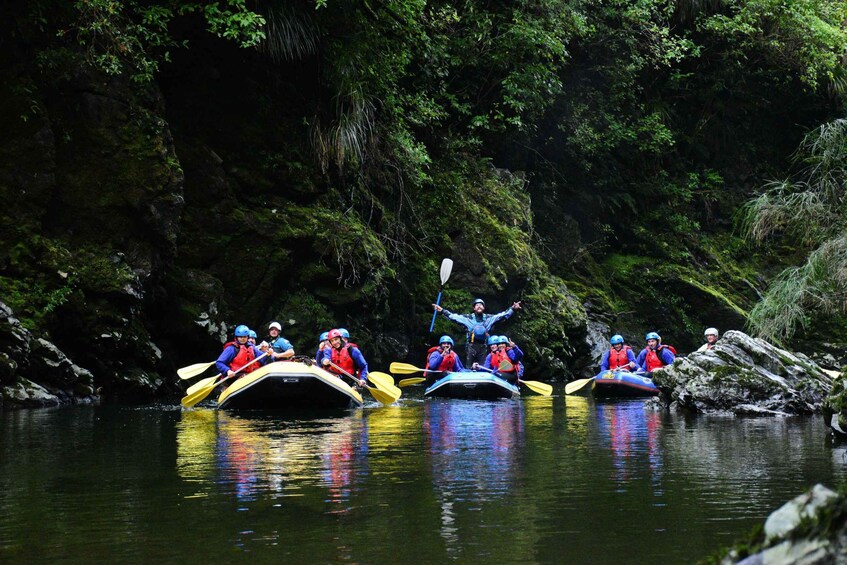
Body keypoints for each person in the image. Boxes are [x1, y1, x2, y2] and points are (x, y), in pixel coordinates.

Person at [433, 298, 522, 366]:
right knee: (469, 366)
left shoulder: (489, 318)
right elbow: (453, 317)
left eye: (481, 305)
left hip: (483, 346)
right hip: (471, 346)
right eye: (477, 305)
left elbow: (502, 315)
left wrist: (512, 308)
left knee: (482, 365)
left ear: (483, 307)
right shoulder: (468, 318)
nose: (479, 306)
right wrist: (442, 311)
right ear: (474, 308)